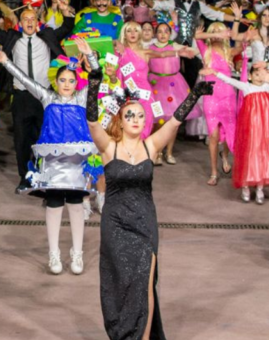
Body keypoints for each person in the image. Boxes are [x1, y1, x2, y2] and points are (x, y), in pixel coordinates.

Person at [86, 66, 210, 340]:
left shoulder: (151, 146)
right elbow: (93, 123)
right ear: (121, 118)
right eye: (130, 114)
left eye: (141, 116)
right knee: (121, 283)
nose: (136, 119)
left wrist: (196, 94)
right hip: (115, 223)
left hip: (144, 222)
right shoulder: (109, 147)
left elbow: (176, 121)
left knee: (144, 282)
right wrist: (93, 85)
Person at [0, 37, 99, 275]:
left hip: (76, 164)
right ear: (56, 81)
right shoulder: (47, 97)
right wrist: (6, 61)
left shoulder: (82, 99)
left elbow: (97, 76)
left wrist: (90, 55)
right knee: (53, 205)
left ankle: (77, 253)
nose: (67, 84)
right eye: (63, 80)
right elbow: (24, 79)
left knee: (76, 206)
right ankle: (54, 254)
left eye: (71, 80)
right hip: (52, 164)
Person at [0, 0, 76, 192]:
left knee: (45, 138)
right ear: (20, 22)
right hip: (21, 96)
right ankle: (25, 177)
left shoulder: (48, 35)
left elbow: (67, 26)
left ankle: (45, 176)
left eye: (32, 18)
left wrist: (65, 10)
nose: (29, 22)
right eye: (25, 18)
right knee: (22, 139)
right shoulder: (12, 37)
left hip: (44, 96)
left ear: (37, 22)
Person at [205, 64, 269, 203]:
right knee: (248, 156)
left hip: (263, 131)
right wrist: (215, 72)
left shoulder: (266, 87)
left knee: (262, 156)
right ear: (250, 76)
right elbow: (229, 80)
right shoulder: (246, 87)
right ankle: (245, 186)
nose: (260, 77)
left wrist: (265, 65)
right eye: (257, 74)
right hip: (249, 131)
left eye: (263, 74)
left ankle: (260, 188)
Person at [147, 22, 198, 165]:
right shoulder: (150, 48)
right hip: (156, 87)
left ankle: (169, 152)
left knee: (173, 121)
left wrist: (193, 45)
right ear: (155, 34)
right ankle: (156, 152)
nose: (163, 34)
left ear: (170, 34)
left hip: (174, 87)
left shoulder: (175, 46)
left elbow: (195, 51)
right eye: (160, 31)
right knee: (157, 121)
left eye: (166, 31)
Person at [197, 22, 241, 185]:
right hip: (211, 98)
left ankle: (225, 155)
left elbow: (242, 44)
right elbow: (196, 36)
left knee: (230, 132)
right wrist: (215, 35)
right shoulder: (205, 50)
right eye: (212, 30)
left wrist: (236, 20)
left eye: (219, 30)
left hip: (228, 97)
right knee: (213, 135)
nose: (215, 33)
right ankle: (214, 172)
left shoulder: (229, 52)